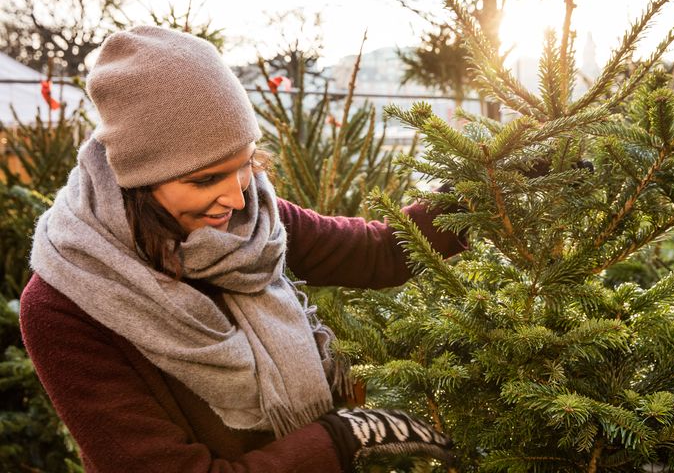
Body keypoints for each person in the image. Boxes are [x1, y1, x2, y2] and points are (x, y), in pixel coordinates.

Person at [19, 26, 464, 472]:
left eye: (246, 164)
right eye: (205, 179)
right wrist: (339, 438)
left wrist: (488, 181)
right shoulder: (64, 305)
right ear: (140, 179)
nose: (235, 197)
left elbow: (380, 251)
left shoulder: (254, 220)